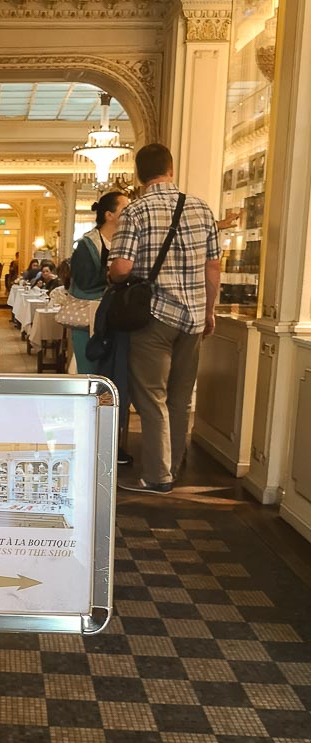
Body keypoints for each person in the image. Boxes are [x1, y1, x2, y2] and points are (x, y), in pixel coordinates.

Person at [108, 143, 220, 494]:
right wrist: (209, 310)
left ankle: (157, 476)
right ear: (170, 169)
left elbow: (122, 268)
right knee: (180, 397)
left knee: (151, 396)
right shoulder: (202, 208)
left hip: (154, 315)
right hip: (193, 316)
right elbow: (213, 267)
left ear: (140, 175)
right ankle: (173, 465)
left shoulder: (136, 211)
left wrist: (113, 275)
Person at [71, 191, 130, 374]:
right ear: (109, 215)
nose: (130, 212)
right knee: (91, 371)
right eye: (125, 208)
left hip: (118, 316)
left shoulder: (128, 242)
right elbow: (84, 280)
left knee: (115, 370)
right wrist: (114, 275)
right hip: (90, 316)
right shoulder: (87, 245)